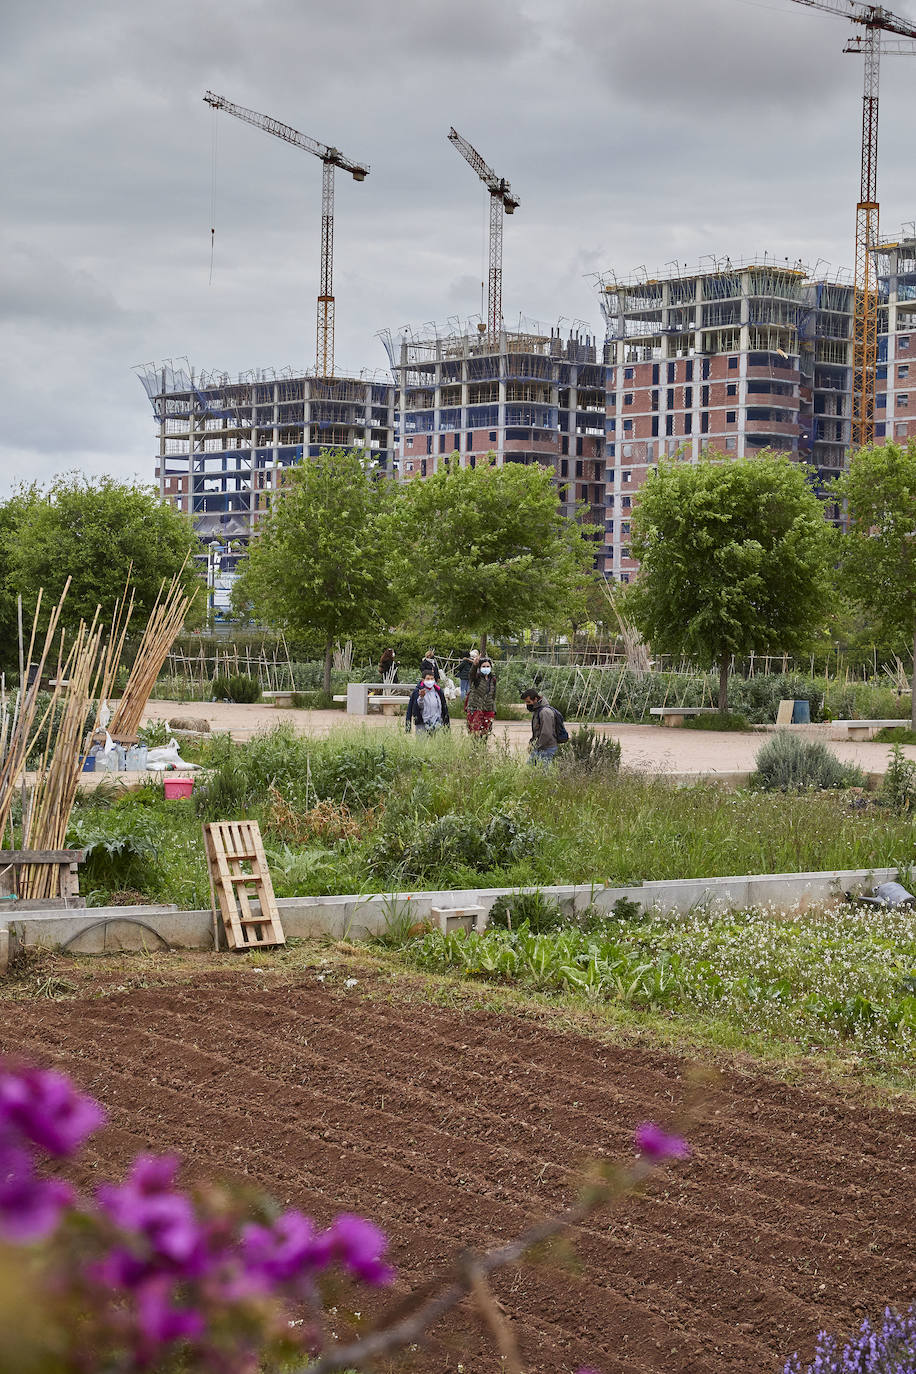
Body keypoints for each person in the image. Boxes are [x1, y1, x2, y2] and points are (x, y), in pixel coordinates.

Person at [521, 687, 560, 765]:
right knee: (530, 771)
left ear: (535, 699)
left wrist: (536, 746)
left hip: (547, 749)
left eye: (528, 702)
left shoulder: (544, 712)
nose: (527, 704)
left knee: (542, 773)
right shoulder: (538, 710)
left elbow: (546, 733)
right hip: (541, 748)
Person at [465, 656, 496, 737]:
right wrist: (474, 665)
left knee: (485, 733)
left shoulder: (492, 680)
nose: (486, 668)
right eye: (483, 666)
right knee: (474, 732)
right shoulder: (476, 678)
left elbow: (493, 696)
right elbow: (471, 674)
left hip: (488, 709)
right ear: (480, 667)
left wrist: (493, 710)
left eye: (488, 666)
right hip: (475, 708)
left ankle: (483, 748)